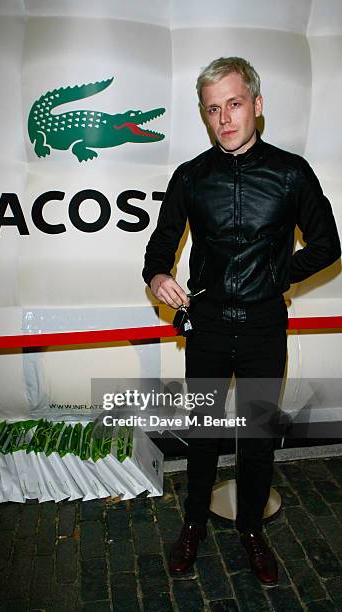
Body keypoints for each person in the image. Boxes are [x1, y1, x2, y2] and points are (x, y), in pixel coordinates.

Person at [142, 56, 341, 586]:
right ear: (205, 116)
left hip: (262, 329)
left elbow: (328, 244)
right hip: (205, 325)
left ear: (256, 104)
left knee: (256, 436)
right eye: (213, 109)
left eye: (233, 104)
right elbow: (159, 248)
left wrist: (279, 273)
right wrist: (159, 276)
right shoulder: (191, 176)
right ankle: (191, 528)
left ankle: (252, 531)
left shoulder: (290, 173)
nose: (225, 118)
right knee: (202, 433)